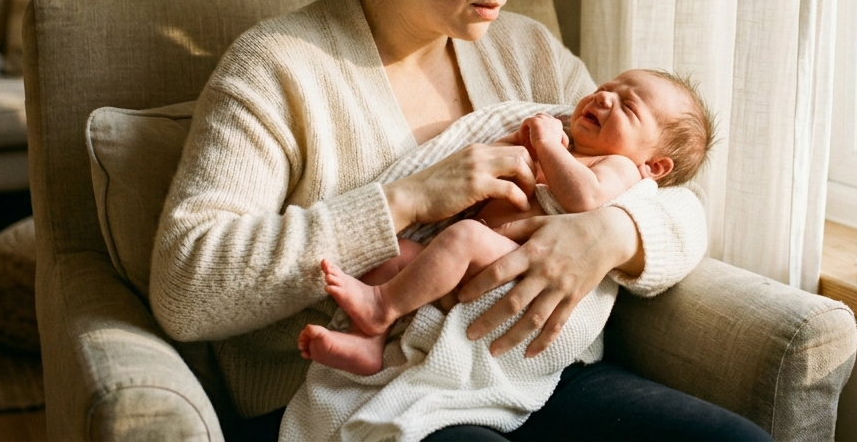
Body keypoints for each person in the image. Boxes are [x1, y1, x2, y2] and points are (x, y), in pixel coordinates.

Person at [149, 0, 770, 441]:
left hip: (526, 371)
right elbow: (187, 286)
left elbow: (672, 191)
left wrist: (612, 234)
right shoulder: (280, 68)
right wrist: (408, 200)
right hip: (365, 383)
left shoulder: (526, 50)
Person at [299, 69, 714, 376]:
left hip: (514, 269)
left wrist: (548, 146)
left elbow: (584, 198)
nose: (604, 99)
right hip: (465, 264)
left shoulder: (618, 167)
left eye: (627, 106)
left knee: (464, 237)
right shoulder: (562, 145)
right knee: (396, 253)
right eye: (607, 89)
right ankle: (370, 341)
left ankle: (381, 307)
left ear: (654, 165)